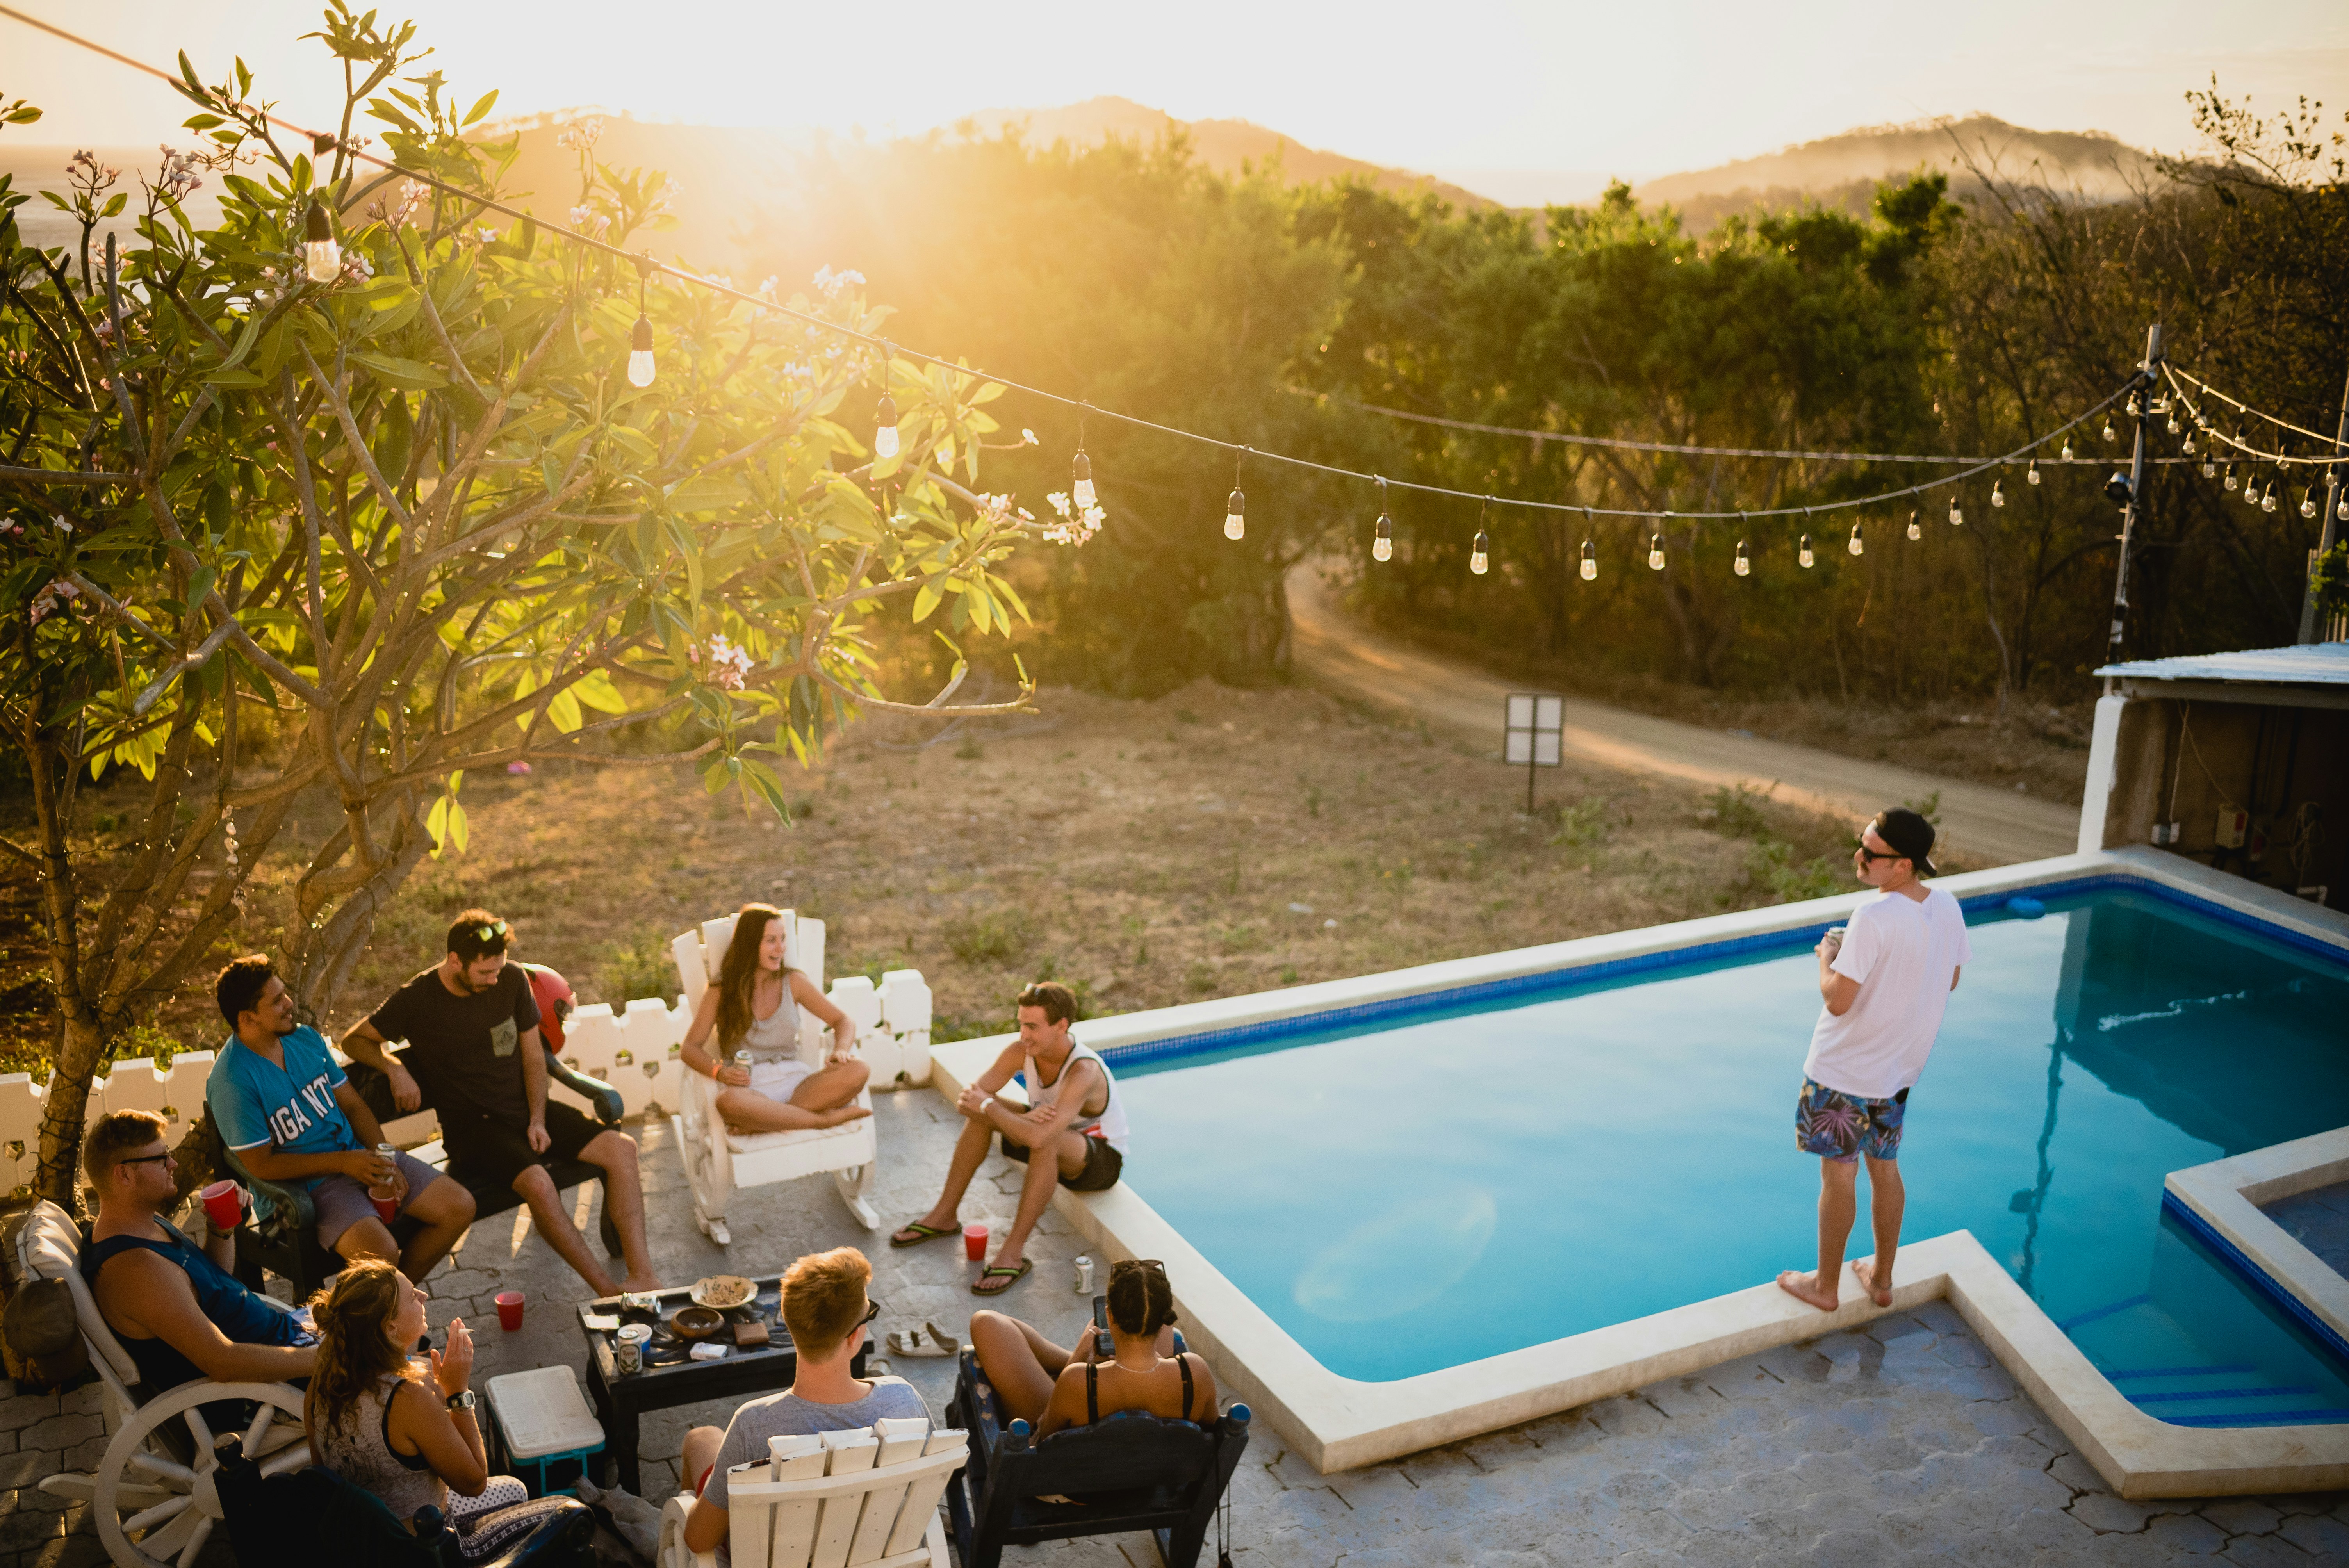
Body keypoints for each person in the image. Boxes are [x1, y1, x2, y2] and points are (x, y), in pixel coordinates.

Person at [340, 910, 661, 1296]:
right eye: (485, 972)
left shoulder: (511, 978)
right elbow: (354, 1039)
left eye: (498, 970)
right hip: (473, 1129)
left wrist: (539, 1119)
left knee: (622, 1149)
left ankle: (644, 1277)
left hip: (524, 1110)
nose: (495, 979)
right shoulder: (418, 998)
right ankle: (608, 1292)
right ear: (455, 960)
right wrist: (393, 1067)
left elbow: (532, 1055)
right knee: (541, 1185)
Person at [1777, 807, 1973, 1313]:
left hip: (1843, 1072)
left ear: (1904, 865)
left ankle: (1825, 1286)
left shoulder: (1872, 916)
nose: (1858, 857)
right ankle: (1882, 1279)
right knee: (1884, 1168)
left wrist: (1827, 958)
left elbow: (1838, 1001)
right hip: (1898, 1074)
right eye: (1860, 844)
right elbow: (1947, 978)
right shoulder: (1947, 906)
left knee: (1839, 1175)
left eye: (1871, 853)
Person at [209, 955, 476, 1283]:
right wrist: (345, 1163)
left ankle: (388, 1304)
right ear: (249, 1018)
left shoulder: (304, 1038)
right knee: (382, 1254)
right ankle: (384, 1308)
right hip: (306, 1191)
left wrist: (384, 1159)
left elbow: (353, 1107)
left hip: (358, 1158)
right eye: (278, 1001)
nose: (290, 1003)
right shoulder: (232, 1081)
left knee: (459, 1206)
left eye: (285, 993)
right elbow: (260, 1166)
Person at [306, 1259, 570, 1558]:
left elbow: (322, 1476)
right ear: (390, 1328)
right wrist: (458, 1393)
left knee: (515, 1490)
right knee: (567, 1514)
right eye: (411, 1296)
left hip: (360, 1545)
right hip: (422, 1553)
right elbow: (474, 1482)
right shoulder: (406, 1398)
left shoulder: (321, 1384)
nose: (424, 1296)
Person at [679, 1248, 927, 1564]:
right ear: (854, 1337)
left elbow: (698, 1539)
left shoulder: (754, 1424)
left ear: (789, 1325)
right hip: (874, 1552)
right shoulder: (903, 1400)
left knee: (700, 1439)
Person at [888, 981, 1128, 1296]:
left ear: (1062, 1026)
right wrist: (1006, 1113)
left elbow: (1040, 1133)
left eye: (1032, 1026)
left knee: (1037, 1135)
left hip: (1097, 1161)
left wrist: (992, 1107)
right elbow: (967, 1100)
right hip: (1047, 1133)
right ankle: (944, 1215)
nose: (1023, 1034)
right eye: (1021, 1024)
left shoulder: (1082, 1070)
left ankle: (1012, 1254)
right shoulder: (1022, 1051)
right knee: (983, 1116)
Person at [81, 1110, 317, 1390]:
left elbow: (208, 1283)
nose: (174, 1164)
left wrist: (220, 1228)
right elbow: (222, 1362)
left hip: (288, 1339)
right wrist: (328, 1358)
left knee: (374, 1302)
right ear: (124, 1174)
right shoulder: (136, 1269)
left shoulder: (140, 1223)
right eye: (161, 1159)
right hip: (274, 1384)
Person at [677, 904, 871, 1134]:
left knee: (859, 1069)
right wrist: (718, 1071)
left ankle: (763, 1124)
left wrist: (841, 1050)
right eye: (771, 940)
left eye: (783, 939)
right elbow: (690, 1048)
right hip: (749, 1088)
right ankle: (823, 1121)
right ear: (750, 945)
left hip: (796, 1082)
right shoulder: (722, 991)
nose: (781, 948)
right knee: (727, 1103)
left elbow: (843, 1021)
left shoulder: (793, 982)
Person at [970, 1257, 1217, 1436]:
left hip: (1079, 1488)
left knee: (986, 1322)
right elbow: (1210, 1432)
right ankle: (1108, 1359)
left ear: (1108, 1317)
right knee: (1147, 1294)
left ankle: (1085, 1357)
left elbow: (1042, 1444)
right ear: (1166, 1319)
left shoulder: (1078, 1381)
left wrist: (1078, 1360)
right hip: (1155, 1478)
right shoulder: (1195, 1371)